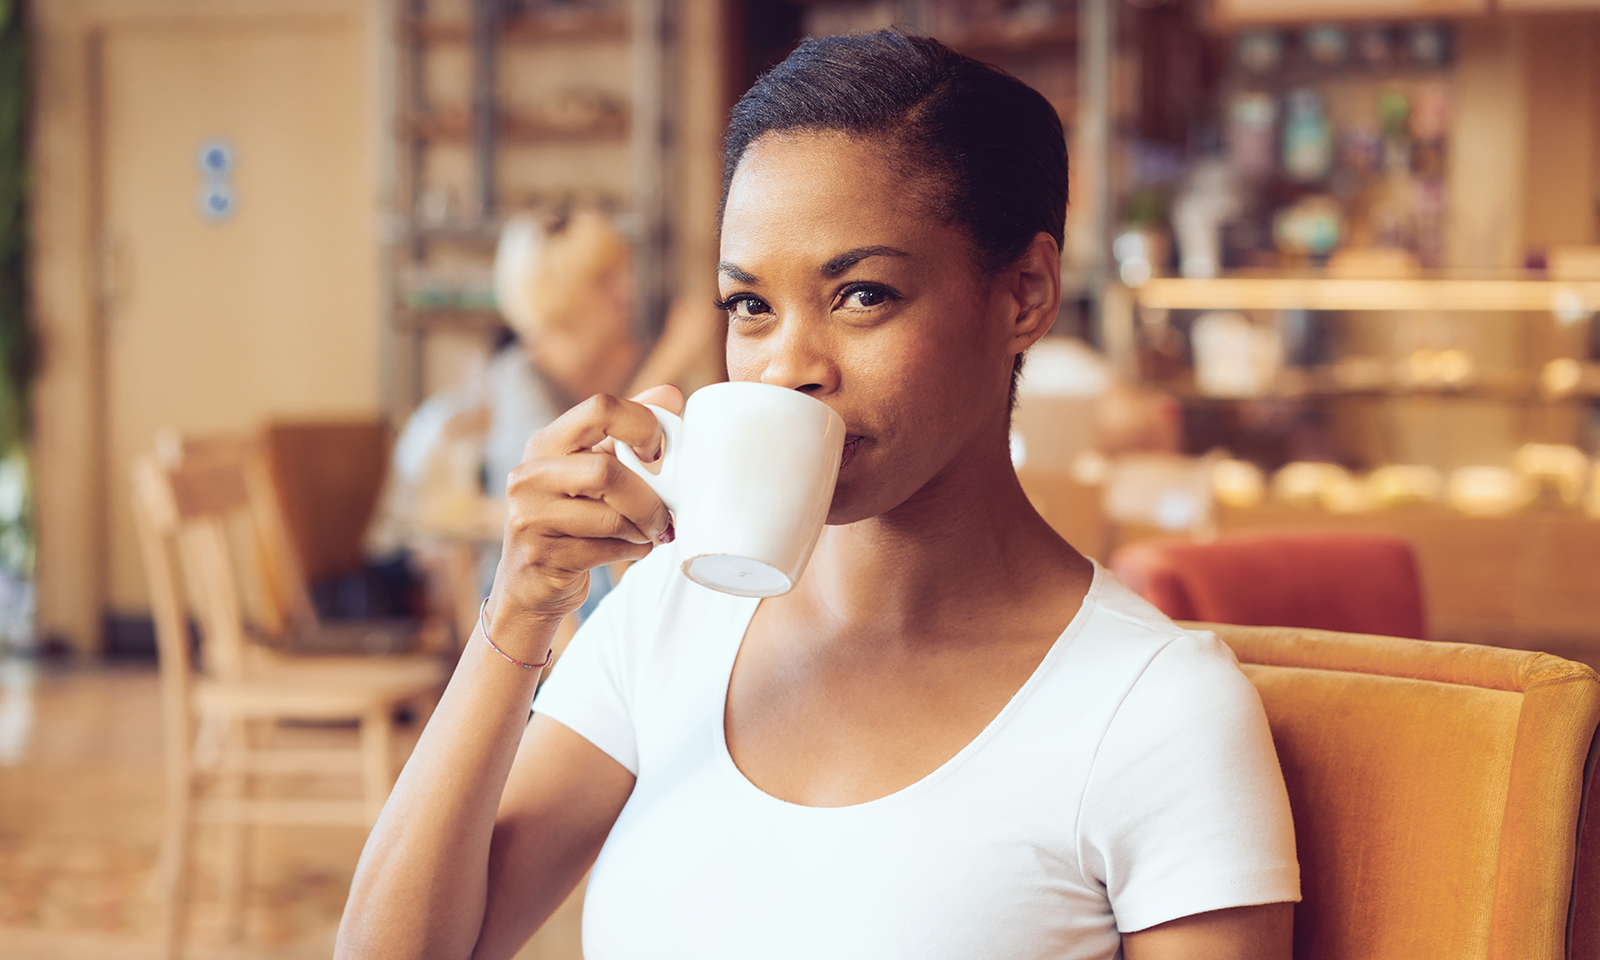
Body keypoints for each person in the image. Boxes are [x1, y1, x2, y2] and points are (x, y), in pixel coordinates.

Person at [337, 31, 1298, 960]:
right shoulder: (670, 613)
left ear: (1026, 294)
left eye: (862, 294)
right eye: (750, 306)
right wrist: (521, 606)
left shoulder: (1154, 713)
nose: (788, 368)